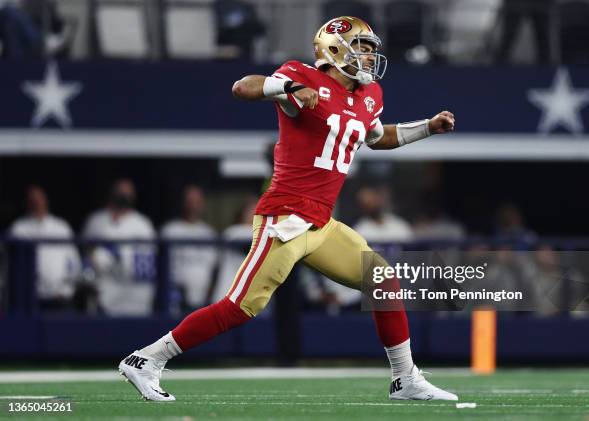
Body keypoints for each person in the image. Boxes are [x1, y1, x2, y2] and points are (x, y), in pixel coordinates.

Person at [119, 16, 457, 401]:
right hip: (285, 217)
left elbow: (377, 137)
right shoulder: (303, 77)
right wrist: (288, 87)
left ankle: (405, 378)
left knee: (382, 281)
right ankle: (146, 360)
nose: (368, 57)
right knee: (240, 307)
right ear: (334, 49)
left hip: (322, 223)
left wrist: (428, 127)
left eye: (369, 50)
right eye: (361, 48)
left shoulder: (369, 95)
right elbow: (242, 87)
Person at [82, 179, 156, 316]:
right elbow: (86, 252)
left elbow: (148, 262)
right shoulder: (96, 220)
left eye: (128, 193)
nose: (124, 197)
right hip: (104, 290)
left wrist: (119, 254)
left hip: (135, 295)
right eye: (120, 192)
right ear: (112, 193)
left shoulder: (143, 224)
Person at [8, 185, 80, 311]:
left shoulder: (61, 227)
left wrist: (67, 290)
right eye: (32, 200)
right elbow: (12, 266)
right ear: (27, 203)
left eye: (39, 199)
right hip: (30, 298)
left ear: (45, 200)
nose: (37, 203)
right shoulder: (18, 228)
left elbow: (74, 262)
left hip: (60, 297)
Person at [160, 185, 218, 311]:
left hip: (203, 302)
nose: (193, 206)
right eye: (190, 202)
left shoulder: (209, 234)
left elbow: (214, 271)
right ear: (183, 203)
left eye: (197, 202)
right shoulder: (170, 230)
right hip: (175, 301)